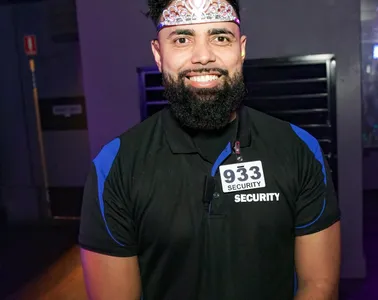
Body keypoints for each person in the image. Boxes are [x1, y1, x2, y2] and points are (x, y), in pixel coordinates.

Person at [78, 0, 341, 299]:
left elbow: (319, 286)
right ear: (158, 54)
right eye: (182, 39)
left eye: (220, 37)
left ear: (240, 49)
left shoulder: (300, 149)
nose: (203, 56)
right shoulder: (115, 166)